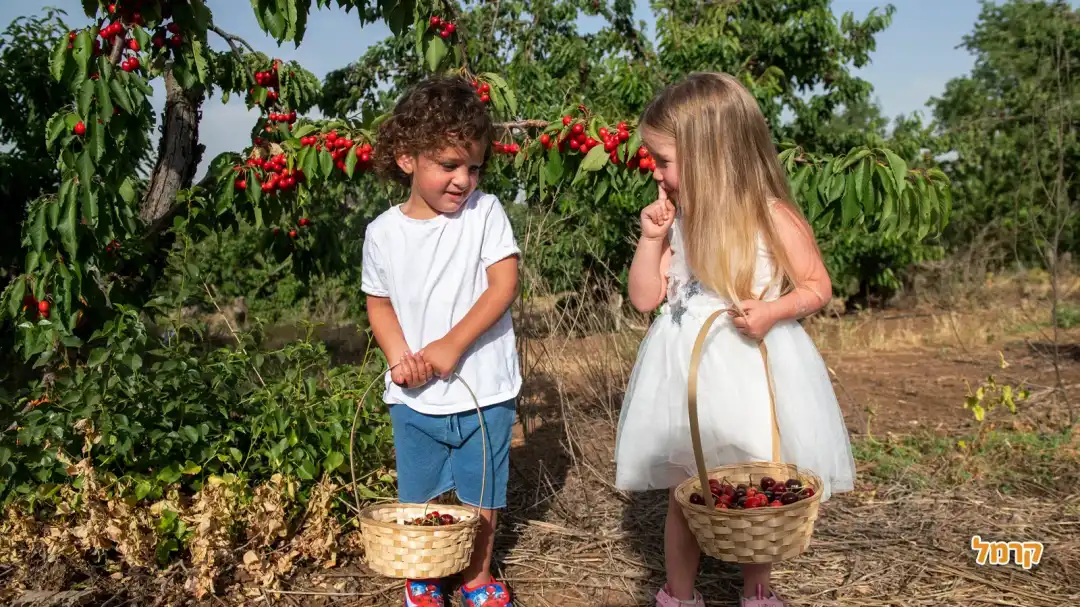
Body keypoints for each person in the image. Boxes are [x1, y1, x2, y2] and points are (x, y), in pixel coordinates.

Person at [614, 72, 856, 607]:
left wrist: (774, 310)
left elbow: (817, 286)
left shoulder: (771, 215)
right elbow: (645, 298)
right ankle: (678, 593)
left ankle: (758, 590)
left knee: (756, 486)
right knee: (687, 491)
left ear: (710, 155)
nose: (655, 171)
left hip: (748, 367)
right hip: (687, 372)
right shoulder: (678, 218)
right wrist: (651, 239)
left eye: (664, 160)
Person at [363, 75, 519, 607]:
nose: (463, 181)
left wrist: (452, 345)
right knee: (417, 494)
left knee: (482, 494)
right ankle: (423, 577)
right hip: (416, 397)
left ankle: (476, 577)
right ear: (407, 158)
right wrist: (398, 358)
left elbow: (504, 284)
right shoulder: (382, 233)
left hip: (485, 388)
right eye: (449, 165)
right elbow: (378, 302)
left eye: (473, 167)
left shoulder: (485, 214)